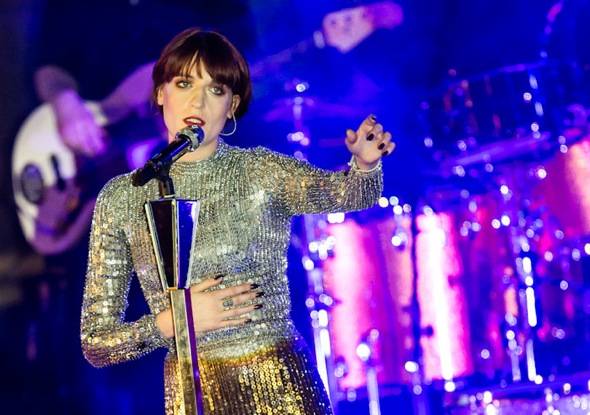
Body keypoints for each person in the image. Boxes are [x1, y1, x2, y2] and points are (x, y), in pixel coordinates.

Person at [80, 28, 393, 414]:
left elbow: (347, 194)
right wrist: (175, 321)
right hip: (192, 392)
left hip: (280, 388)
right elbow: (97, 343)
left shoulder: (259, 170)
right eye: (183, 84)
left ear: (232, 105)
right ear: (160, 93)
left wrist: (364, 164)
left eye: (215, 90)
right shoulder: (123, 196)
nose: (197, 101)